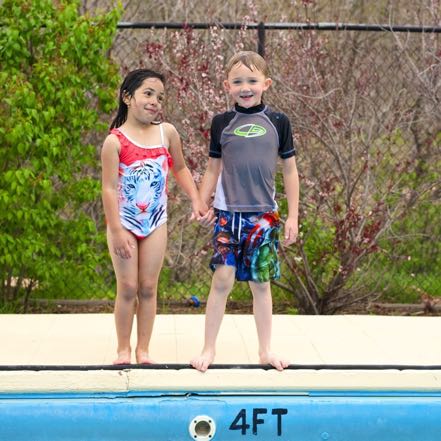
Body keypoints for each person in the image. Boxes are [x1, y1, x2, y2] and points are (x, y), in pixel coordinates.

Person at [191, 51, 299, 372]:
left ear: (265, 84)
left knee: (260, 284)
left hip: (264, 216)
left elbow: (290, 171)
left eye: (252, 80)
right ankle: (208, 349)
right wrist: (201, 200)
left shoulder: (278, 122)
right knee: (222, 279)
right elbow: (212, 169)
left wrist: (292, 216)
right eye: (237, 81)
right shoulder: (222, 123)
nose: (245, 87)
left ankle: (265, 350)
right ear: (227, 86)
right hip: (227, 214)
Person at [101, 69, 207, 365]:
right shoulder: (115, 142)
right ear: (127, 97)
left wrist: (196, 197)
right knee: (128, 287)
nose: (155, 101)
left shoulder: (166, 133)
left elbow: (181, 169)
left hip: (155, 222)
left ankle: (143, 350)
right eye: (148, 94)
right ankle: (123, 349)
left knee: (148, 287)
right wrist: (117, 229)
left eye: (160, 97)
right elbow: (109, 189)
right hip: (123, 223)